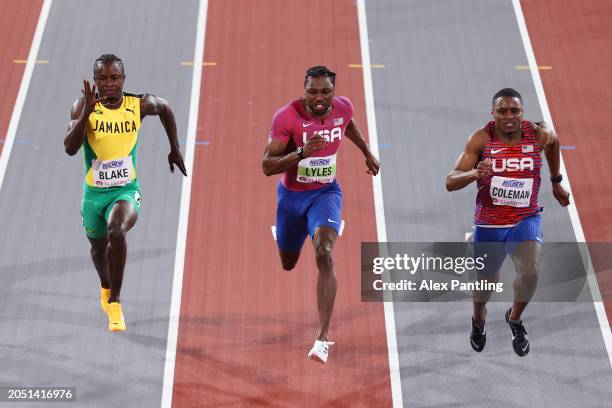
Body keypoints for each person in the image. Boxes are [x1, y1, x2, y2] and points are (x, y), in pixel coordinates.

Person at [262, 66, 380, 363]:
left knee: (324, 253)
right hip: (291, 199)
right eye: (312, 92)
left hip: (326, 193)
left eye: (325, 92)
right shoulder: (286, 117)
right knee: (288, 263)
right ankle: (287, 234)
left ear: (333, 92)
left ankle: (322, 339)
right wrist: (301, 153)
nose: (318, 98)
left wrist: (367, 151)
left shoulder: (343, 108)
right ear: (304, 91)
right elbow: (267, 165)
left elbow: (347, 124)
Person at [64, 54, 187, 332]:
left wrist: (175, 148)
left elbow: (165, 108)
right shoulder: (83, 106)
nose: (108, 83)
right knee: (98, 249)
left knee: (117, 231)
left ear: (123, 79)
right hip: (94, 195)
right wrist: (86, 114)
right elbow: (70, 148)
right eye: (102, 78)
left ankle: (116, 302)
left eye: (114, 78)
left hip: (126, 190)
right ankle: (106, 287)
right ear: (94, 81)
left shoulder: (137, 104)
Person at [446, 88, 570, 356]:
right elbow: (450, 181)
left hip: (525, 218)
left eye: (515, 110)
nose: (509, 116)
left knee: (530, 272)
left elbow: (554, 142)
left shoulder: (537, 135)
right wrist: (474, 173)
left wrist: (556, 182)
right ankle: (478, 320)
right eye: (503, 111)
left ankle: (514, 319)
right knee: (485, 284)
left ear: (522, 112)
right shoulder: (481, 140)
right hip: (490, 224)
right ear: (493, 113)